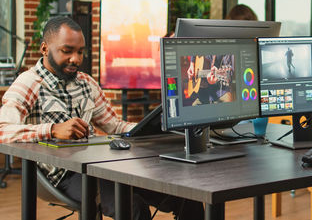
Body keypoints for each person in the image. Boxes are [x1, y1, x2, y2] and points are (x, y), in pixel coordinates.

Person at [0, 16, 204, 220]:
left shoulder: (86, 83)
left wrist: (149, 126)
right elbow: (3, 129)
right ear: (45, 49)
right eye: (67, 51)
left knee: (187, 195)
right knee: (133, 208)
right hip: (63, 175)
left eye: (80, 52)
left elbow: (114, 125)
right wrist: (52, 129)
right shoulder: (29, 83)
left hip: (98, 166)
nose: (76, 59)